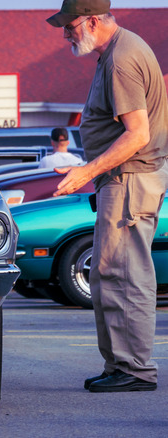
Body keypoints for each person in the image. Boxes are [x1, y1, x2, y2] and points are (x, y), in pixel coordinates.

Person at [47, 0, 168, 392]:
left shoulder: (121, 59)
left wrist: (87, 170)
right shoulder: (118, 51)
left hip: (130, 180)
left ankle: (134, 370)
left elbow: (138, 135)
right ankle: (122, 365)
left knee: (125, 275)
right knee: (109, 274)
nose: (65, 33)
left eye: (70, 25)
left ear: (94, 21)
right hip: (123, 180)